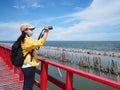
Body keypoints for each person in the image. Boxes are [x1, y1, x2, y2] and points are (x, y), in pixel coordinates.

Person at [17, 23, 49, 90]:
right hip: (28, 66)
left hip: (25, 65)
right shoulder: (27, 40)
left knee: (28, 84)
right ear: (25, 30)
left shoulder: (23, 39)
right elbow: (40, 42)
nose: (32, 31)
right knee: (28, 86)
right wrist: (46, 32)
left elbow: (35, 44)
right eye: (31, 29)